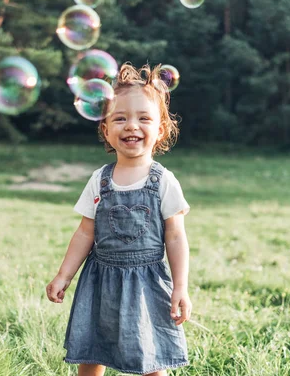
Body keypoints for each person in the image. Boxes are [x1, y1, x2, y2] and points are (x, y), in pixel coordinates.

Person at [46, 63, 192, 376]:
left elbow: (176, 237)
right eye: (120, 118)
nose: (131, 126)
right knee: (93, 348)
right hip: (101, 281)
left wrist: (180, 286)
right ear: (106, 129)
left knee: (152, 355)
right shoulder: (99, 179)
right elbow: (85, 233)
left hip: (147, 283)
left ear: (161, 130)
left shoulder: (164, 181)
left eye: (143, 118)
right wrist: (64, 275)